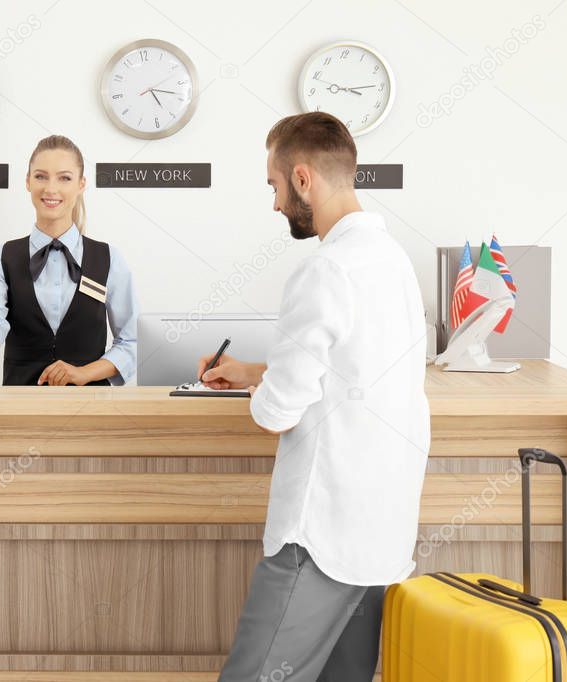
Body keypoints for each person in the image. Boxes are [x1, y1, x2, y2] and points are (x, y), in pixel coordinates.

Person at [199, 112, 430, 682]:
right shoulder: (393, 261)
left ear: (302, 178)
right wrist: (252, 370)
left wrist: (264, 392)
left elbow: (278, 414)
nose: (275, 204)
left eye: (274, 186)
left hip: (320, 537)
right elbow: (352, 368)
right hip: (380, 532)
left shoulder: (325, 268)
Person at [0, 135, 137, 386]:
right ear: (28, 182)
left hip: (93, 408)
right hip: (20, 407)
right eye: (41, 176)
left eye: (64, 178)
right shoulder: (0, 257)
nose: (51, 188)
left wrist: (83, 373)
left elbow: (131, 342)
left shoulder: (110, 259)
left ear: (81, 184)